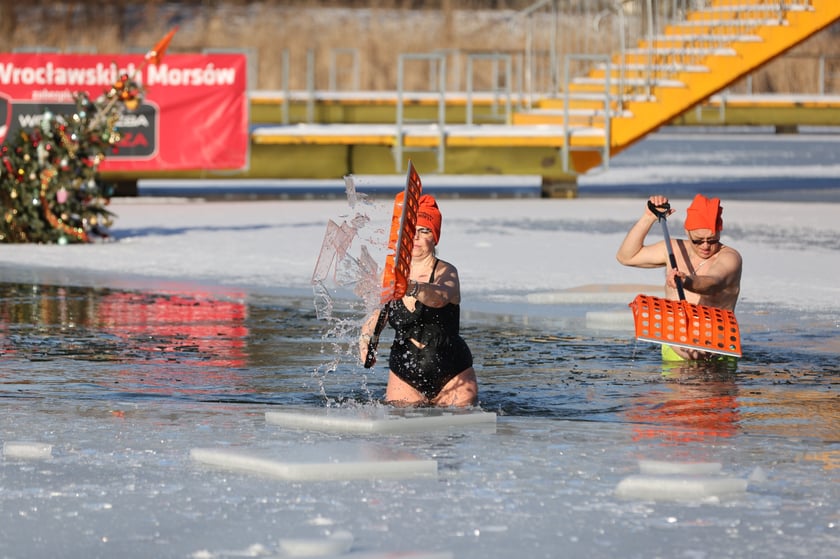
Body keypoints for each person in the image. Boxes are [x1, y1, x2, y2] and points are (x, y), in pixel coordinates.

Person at [359, 194, 478, 407]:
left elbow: (440, 297)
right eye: (411, 230)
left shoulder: (446, 272)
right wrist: (366, 337)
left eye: (424, 231)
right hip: (405, 373)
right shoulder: (389, 275)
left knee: (457, 424)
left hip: (453, 374)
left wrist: (411, 287)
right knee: (400, 424)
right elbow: (379, 313)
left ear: (435, 237)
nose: (415, 237)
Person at [616, 194, 743, 361]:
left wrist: (686, 281)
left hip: (717, 354)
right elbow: (626, 257)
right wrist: (648, 218)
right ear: (687, 231)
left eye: (712, 240)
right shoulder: (675, 249)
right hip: (674, 353)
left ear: (719, 232)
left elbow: (713, 283)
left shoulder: (729, 257)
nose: (705, 246)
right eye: (698, 240)